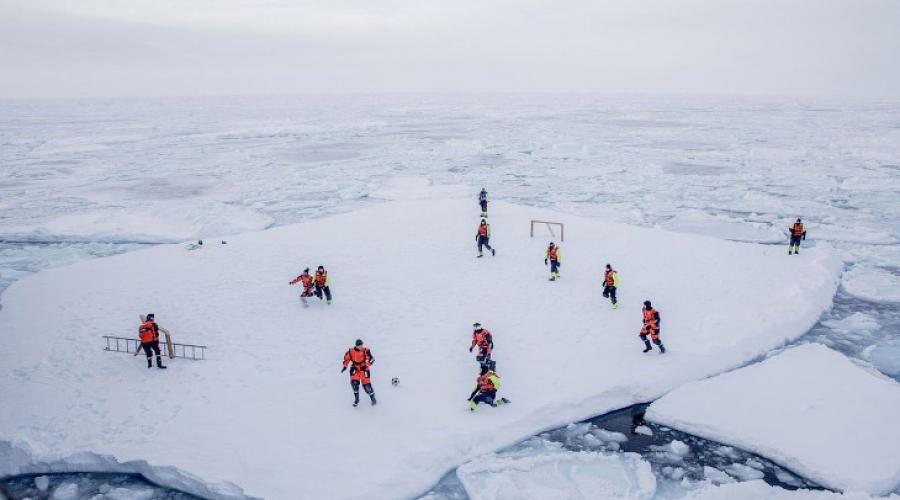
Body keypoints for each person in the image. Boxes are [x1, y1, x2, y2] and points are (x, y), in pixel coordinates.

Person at [342, 339, 376, 407]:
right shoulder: (350, 351)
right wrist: (345, 366)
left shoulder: (366, 350)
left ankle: (373, 398)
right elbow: (346, 358)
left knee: (367, 386)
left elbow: (370, 359)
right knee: (354, 384)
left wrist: (366, 365)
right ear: (356, 345)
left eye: (361, 345)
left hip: (364, 369)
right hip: (355, 368)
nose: (360, 346)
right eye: (359, 345)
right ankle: (356, 399)